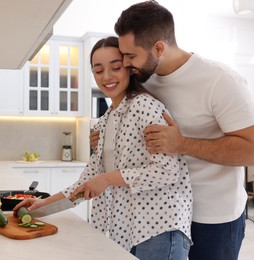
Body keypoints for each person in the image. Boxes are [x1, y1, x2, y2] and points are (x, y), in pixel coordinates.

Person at [90, 1, 254, 259]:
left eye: (130, 56)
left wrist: (183, 144)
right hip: (161, 216)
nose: (126, 63)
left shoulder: (220, 80)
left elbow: (251, 150)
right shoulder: (145, 78)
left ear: (158, 47)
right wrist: (105, 139)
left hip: (212, 217)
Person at [14, 36, 193, 259]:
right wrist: (42, 204)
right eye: (98, 71)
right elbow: (88, 181)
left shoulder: (145, 107)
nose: (106, 77)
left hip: (158, 231)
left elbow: (167, 172)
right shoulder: (105, 121)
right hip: (126, 230)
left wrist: (108, 179)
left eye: (115, 67)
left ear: (129, 69)